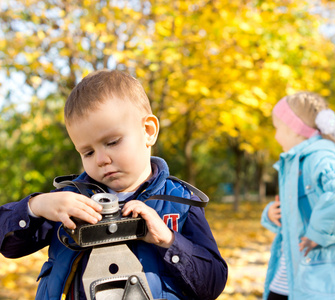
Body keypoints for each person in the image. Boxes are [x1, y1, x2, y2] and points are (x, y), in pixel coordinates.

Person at [0, 69, 228, 300]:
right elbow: (9, 246)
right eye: (87, 152)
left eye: (112, 142)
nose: (101, 160)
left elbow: (213, 284)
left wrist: (168, 240)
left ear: (148, 131)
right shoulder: (70, 202)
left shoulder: (180, 203)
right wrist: (36, 206)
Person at [261, 92, 335, 300]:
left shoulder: (319, 156)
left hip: (320, 267)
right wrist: (271, 214)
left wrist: (318, 233)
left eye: (277, 128)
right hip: (294, 266)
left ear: (294, 129)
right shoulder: (298, 161)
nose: (276, 136)